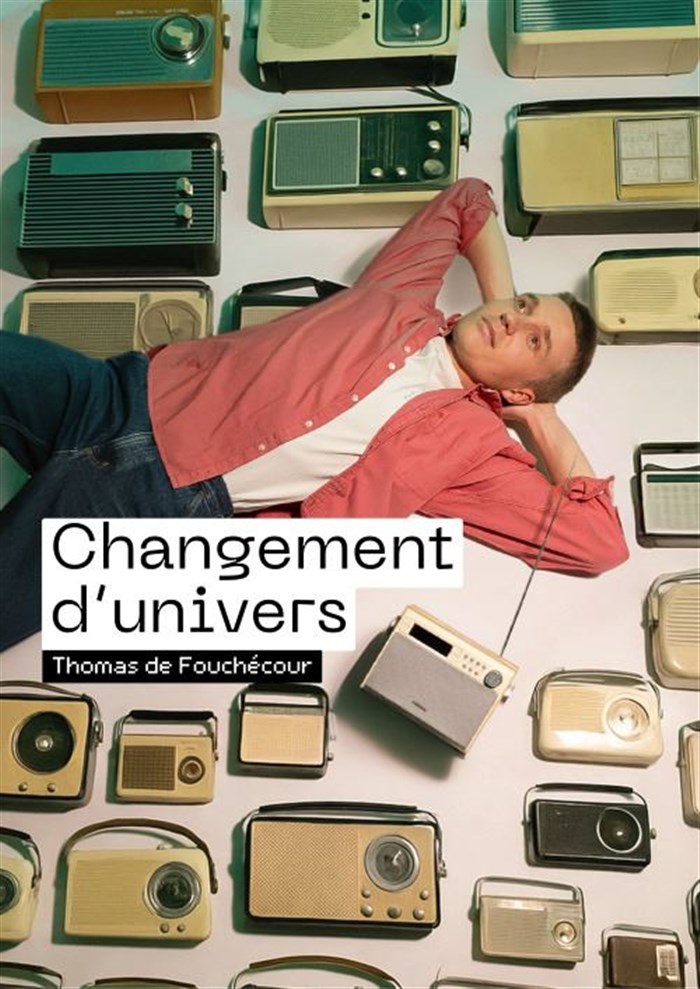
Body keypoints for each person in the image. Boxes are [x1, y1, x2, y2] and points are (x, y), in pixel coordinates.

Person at [0, 178, 628, 651]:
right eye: (525, 305)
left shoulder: (469, 453)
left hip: (158, 494)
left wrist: (540, 418)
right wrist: (503, 307)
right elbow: (467, 200)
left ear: (525, 391)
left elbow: (598, 542)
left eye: (534, 341)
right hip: (116, 389)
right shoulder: (402, 296)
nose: (514, 320)